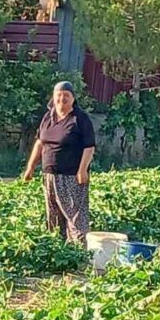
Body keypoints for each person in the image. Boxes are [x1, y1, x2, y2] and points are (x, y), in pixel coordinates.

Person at [22, 81, 96, 243]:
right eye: (58, 95)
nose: (62, 99)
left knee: (75, 214)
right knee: (53, 213)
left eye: (66, 95)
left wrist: (82, 170)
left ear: (73, 98)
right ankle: (58, 249)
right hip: (49, 174)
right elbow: (40, 142)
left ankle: (79, 250)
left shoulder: (79, 119)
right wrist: (30, 167)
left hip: (71, 176)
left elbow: (89, 147)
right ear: (53, 98)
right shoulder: (48, 117)